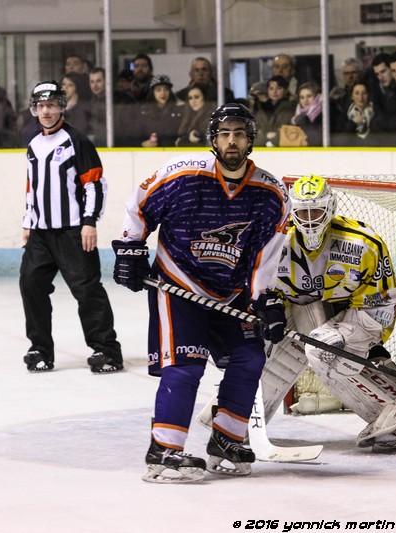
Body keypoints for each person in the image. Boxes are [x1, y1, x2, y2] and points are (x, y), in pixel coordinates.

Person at [112, 103, 290, 483]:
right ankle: (164, 451)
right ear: (213, 139)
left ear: (251, 140)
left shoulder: (270, 194)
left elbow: (267, 252)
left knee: (249, 358)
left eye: (239, 134)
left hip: (231, 293)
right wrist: (130, 249)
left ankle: (226, 440)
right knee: (185, 365)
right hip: (178, 286)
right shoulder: (184, 174)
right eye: (225, 134)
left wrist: (266, 298)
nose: (232, 141)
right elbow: (139, 205)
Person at [265, 175, 396, 452]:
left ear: (330, 208)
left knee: (323, 349)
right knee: (264, 349)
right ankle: (239, 417)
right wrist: (269, 308)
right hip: (306, 308)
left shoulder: (363, 243)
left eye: (315, 212)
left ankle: (390, 414)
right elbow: (261, 288)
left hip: (361, 312)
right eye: (302, 213)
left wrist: (363, 341)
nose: (309, 221)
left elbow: (384, 301)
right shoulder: (275, 241)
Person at [20, 81, 123, 374]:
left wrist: (89, 222)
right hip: (40, 233)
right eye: (41, 106)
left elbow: (95, 184)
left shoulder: (76, 141)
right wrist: (27, 222)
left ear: (61, 107)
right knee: (31, 285)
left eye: (51, 105)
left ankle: (107, 351)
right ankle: (40, 349)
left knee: (87, 290)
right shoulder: (34, 144)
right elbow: (32, 187)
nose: (46, 111)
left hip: (73, 232)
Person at [137, 75, 182, 147]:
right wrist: (143, 144)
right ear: (153, 93)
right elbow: (133, 137)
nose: (163, 93)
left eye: (166, 89)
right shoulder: (144, 113)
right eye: (158, 90)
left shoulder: (178, 111)